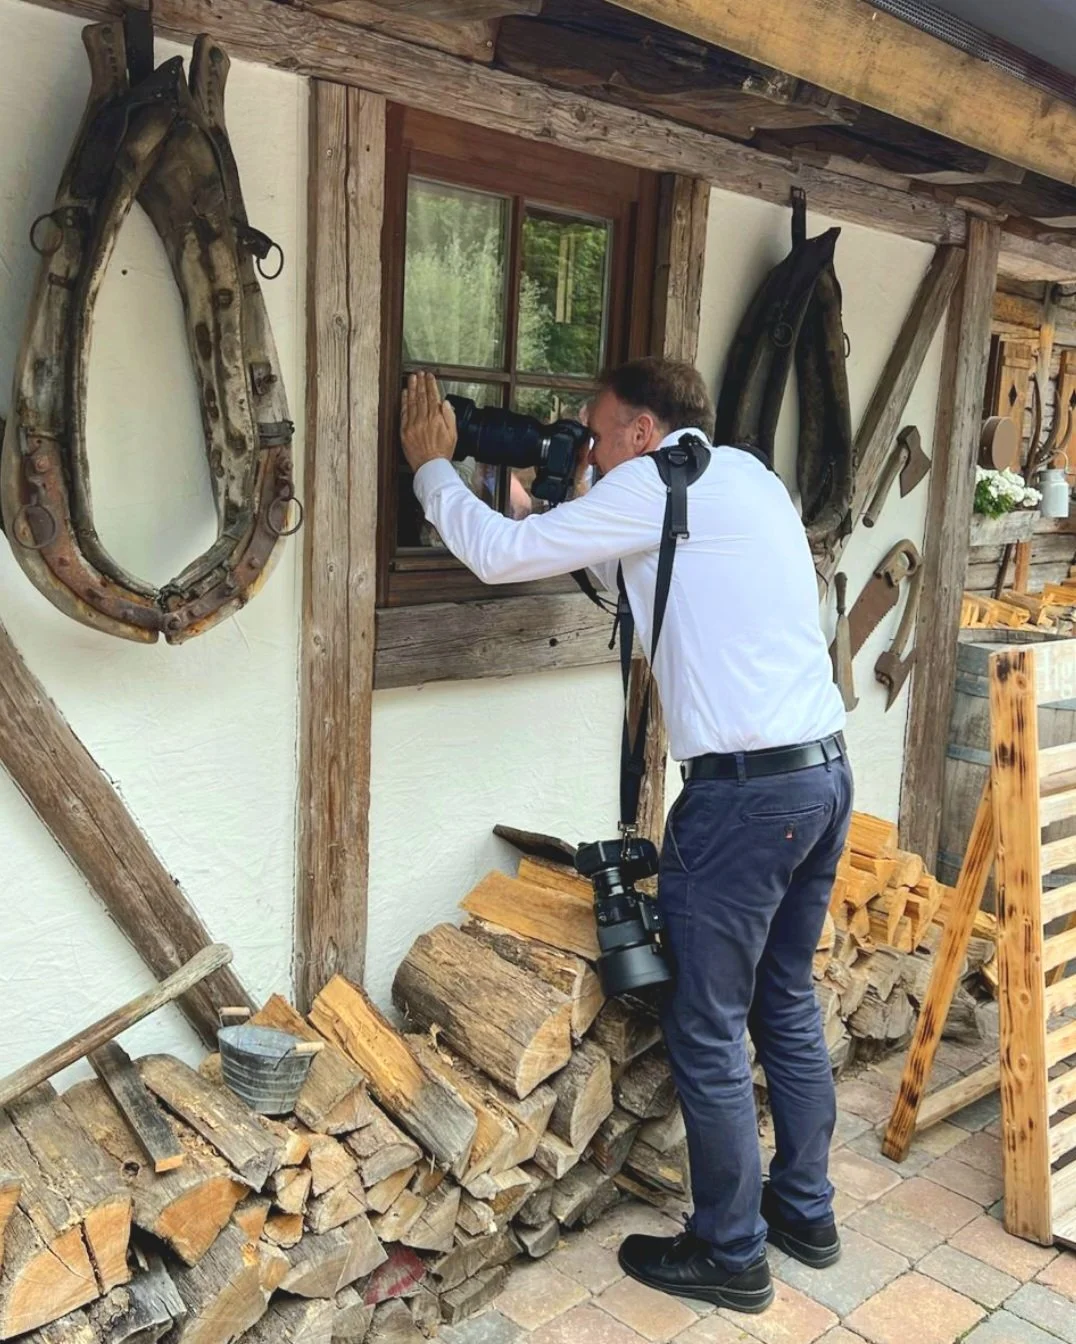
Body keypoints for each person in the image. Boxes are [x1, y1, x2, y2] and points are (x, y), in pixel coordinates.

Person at [399, 358, 853, 1315]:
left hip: (741, 805)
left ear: (645, 431)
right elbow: (618, 563)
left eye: (599, 433)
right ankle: (805, 1212)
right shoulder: (744, 476)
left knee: (709, 1024)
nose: (591, 448)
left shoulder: (651, 485)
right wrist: (566, 493)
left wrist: (432, 468)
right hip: (820, 776)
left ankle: (733, 1252)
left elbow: (496, 555)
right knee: (786, 998)